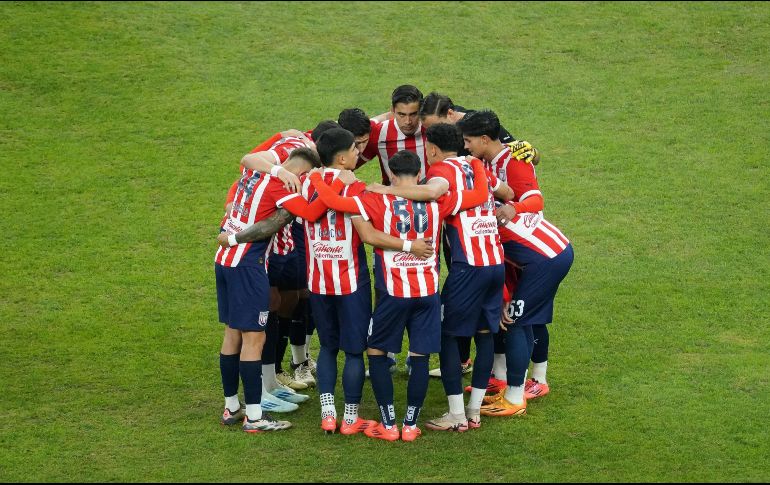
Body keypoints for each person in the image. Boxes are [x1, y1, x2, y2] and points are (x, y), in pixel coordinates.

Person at [310, 149, 490, 441]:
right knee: (419, 356)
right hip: (428, 294)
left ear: (392, 175)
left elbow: (332, 203)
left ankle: (389, 424)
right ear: (419, 175)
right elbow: (479, 196)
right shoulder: (437, 201)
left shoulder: (376, 199)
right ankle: (410, 425)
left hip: (392, 294)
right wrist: (476, 166)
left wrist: (319, 178)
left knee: (377, 352)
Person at [367, 123, 513, 431]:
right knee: (485, 334)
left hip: (468, 266)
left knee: (447, 334)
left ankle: (456, 416)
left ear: (432, 149)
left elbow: (432, 194)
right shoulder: (477, 166)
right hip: (494, 261)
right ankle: (474, 412)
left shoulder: (440, 175)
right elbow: (508, 192)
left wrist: (385, 188)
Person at [457, 110, 573, 416]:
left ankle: (518, 395)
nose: (465, 146)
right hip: (533, 253)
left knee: (518, 322)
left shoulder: (512, 161)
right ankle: (512, 386)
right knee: (513, 317)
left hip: (543, 257)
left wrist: (513, 207)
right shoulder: (485, 164)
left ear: (484, 138)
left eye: (468, 140)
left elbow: (536, 200)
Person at [358, 85, 428, 185]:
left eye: (413, 114)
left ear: (421, 111)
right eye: (402, 114)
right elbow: (347, 164)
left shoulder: (431, 130)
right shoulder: (379, 133)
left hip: (431, 198)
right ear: (392, 111)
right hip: (392, 199)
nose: (408, 121)